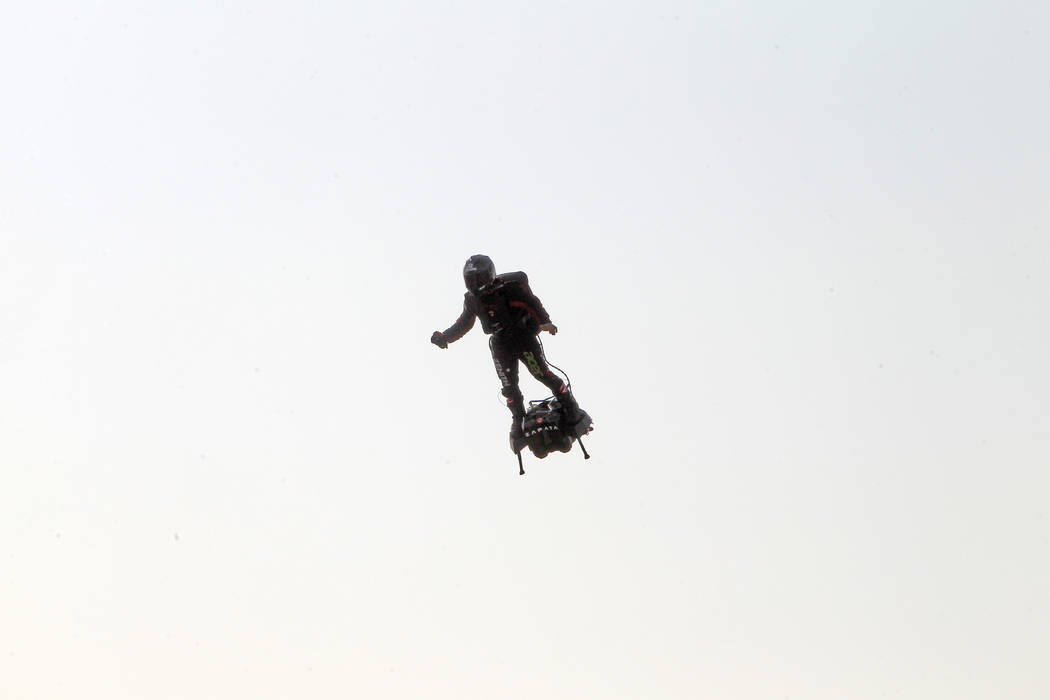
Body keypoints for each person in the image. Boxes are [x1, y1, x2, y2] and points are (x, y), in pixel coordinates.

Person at [431, 254, 581, 451]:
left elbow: (532, 303)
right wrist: (445, 337)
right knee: (509, 385)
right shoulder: (472, 300)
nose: (475, 284)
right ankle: (518, 419)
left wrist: (545, 322)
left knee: (541, 374)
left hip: (523, 337)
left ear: (490, 275)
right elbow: (464, 322)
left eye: (479, 278)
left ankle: (568, 403)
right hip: (500, 343)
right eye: (470, 280)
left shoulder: (508, 289)